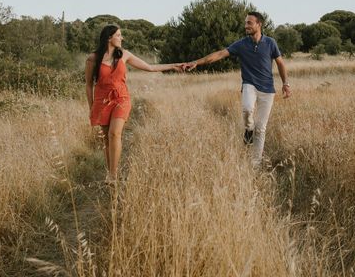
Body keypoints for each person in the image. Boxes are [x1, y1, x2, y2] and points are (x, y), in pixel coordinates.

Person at [185, 12, 291, 167]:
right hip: (250, 84)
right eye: (246, 23)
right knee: (247, 109)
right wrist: (197, 62)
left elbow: (280, 63)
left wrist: (286, 84)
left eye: (249, 23)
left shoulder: (270, 43)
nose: (246, 26)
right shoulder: (241, 44)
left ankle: (256, 163)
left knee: (261, 128)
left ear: (258, 24)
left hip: (268, 90)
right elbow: (220, 54)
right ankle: (248, 129)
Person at [85, 24, 183, 182]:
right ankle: (111, 170)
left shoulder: (124, 55)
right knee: (107, 138)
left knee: (114, 133)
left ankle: (113, 175)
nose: (121, 38)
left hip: (121, 98)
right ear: (109, 38)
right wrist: (91, 107)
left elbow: (150, 67)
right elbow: (89, 85)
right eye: (118, 35)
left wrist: (174, 66)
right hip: (102, 100)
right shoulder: (93, 59)